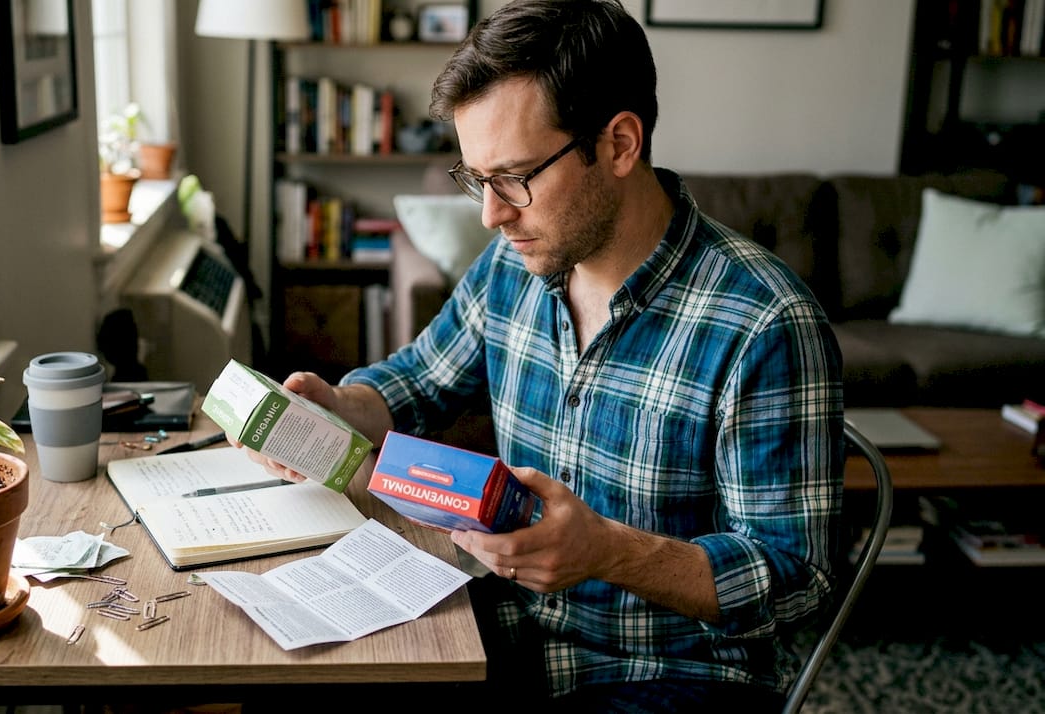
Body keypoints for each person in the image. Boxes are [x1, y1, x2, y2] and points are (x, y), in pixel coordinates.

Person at [239, 1, 843, 710]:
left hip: (669, 675)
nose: (492, 214)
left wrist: (607, 551)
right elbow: (418, 381)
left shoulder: (765, 322)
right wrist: (339, 406)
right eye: (477, 178)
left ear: (619, 144)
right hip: (501, 625)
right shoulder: (512, 266)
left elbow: (799, 580)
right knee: (282, 686)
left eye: (515, 176)